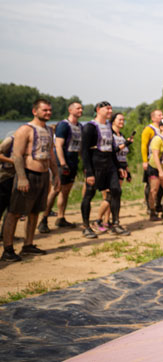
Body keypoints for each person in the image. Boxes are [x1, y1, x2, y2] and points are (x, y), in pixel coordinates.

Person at [1, 99, 60, 261]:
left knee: (35, 212)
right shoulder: (25, 130)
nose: (48, 113)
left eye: (50, 110)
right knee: (14, 212)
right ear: (35, 111)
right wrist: (21, 177)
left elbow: (51, 154)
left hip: (43, 175)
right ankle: (8, 249)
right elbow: (17, 155)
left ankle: (28, 245)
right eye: (45, 110)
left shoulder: (49, 130)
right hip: (28, 174)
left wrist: (56, 175)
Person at [80, 101, 129, 238]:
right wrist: (89, 172)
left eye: (111, 109)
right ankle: (86, 227)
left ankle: (116, 224)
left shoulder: (108, 126)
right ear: (98, 110)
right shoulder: (90, 127)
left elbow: (112, 149)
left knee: (116, 191)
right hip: (96, 164)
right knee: (89, 194)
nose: (110, 111)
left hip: (109, 164)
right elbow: (84, 151)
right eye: (107, 109)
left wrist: (119, 167)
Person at [39, 100, 83, 233]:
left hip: (73, 162)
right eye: (78, 108)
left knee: (66, 191)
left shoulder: (80, 126)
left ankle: (60, 217)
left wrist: (84, 162)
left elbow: (79, 147)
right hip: (62, 163)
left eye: (81, 108)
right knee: (55, 189)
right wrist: (63, 164)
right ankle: (43, 219)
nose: (81, 110)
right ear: (70, 110)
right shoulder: (63, 125)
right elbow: (58, 145)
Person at [140, 109, 163, 215]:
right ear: (153, 118)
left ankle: (158, 204)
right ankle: (149, 206)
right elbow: (144, 145)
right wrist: (145, 161)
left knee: (162, 186)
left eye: (162, 115)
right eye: (159, 115)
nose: (162, 117)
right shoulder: (148, 129)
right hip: (151, 161)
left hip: (161, 162)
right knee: (150, 185)